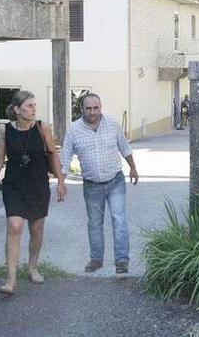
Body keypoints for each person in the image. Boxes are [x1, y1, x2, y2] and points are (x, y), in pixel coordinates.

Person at [0, 90, 67, 296]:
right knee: (14, 226)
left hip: (38, 184)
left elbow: (53, 154)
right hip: (14, 185)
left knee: (36, 229)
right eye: (29, 106)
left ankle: (32, 267)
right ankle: (10, 281)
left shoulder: (42, 128)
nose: (33, 109)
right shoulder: (5, 130)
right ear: (17, 109)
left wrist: (61, 181)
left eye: (34, 106)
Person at [59, 93, 138, 274]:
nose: (92, 112)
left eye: (96, 108)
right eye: (88, 108)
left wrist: (133, 168)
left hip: (115, 181)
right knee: (94, 223)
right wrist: (61, 183)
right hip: (92, 185)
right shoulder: (73, 130)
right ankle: (96, 259)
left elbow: (124, 148)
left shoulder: (112, 125)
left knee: (119, 220)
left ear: (100, 107)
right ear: (82, 110)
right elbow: (65, 158)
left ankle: (122, 261)